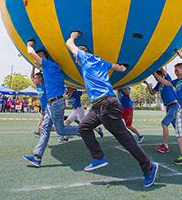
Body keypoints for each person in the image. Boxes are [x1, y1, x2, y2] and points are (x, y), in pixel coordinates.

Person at [66, 31, 158, 188]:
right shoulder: (101, 61)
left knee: (126, 140)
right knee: (83, 127)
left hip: (107, 105)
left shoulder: (86, 57)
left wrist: (73, 35)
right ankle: (98, 157)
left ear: (82, 54)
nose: (76, 58)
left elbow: (69, 44)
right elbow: (118, 68)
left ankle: (149, 166)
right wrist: (123, 68)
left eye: (77, 56)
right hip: (98, 106)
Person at [22, 41, 80, 168]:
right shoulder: (49, 68)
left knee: (61, 130)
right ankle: (37, 157)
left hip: (56, 103)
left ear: (42, 58)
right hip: (50, 103)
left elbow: (31, 52)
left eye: (38, 61)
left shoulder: (49, 66)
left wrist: (28, 44)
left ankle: (85, 129)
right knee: (45, 129)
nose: (36, 64)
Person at [144, 68, 179, 153]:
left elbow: (163, 71)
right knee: (178, 127)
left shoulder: (167, 79)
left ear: (161, 76)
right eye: (155, 77)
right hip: (168, 107)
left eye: (157, 76)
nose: (156, 78)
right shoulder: (158, 85)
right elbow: (152, 92)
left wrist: (154, 69)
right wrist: (147, 83)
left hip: (174, 105)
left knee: (164, 123)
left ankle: (165, 146)